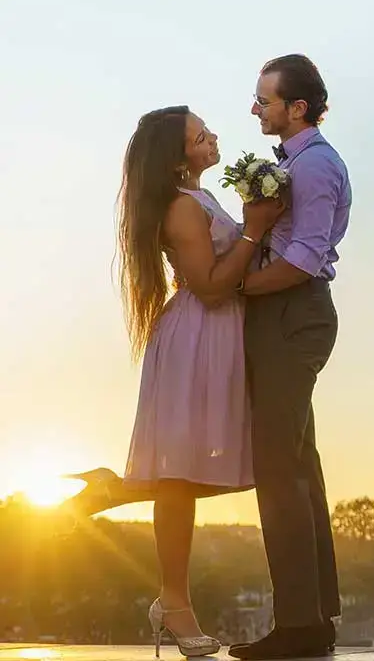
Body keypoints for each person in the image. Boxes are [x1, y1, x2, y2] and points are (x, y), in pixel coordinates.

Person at [62, 105, 286, 658]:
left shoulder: (200, 200)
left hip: (216, 337)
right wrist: (254, 230)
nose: (212, 136)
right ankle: (174, 601)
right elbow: (210, 286)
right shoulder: (183, 209)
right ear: (178, 155)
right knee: (182, 478)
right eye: (199, 134)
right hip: (199, 337)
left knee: (191, 473)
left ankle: (117, 492)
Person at [226, 53, 352, 661]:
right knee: (297, 468)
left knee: (279, 471)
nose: (254, 109)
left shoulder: (317, 165)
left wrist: (236, 288)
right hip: (286, 313)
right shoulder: (291, 164)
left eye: (264, 100)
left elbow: (304, 258)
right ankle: (313, 619)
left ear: (296, 107)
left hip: (292, 312)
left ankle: (299, 626)